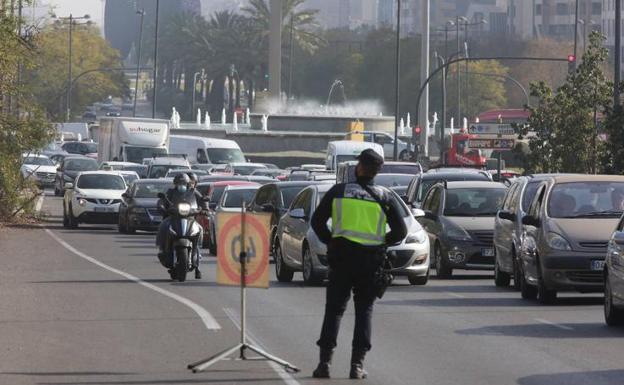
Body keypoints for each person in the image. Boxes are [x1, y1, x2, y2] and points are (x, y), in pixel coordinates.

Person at [310, 149, 407, 379]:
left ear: (358, 167)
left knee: (334, 311)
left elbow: (317, 220)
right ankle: (356, 366)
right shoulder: (385, 196)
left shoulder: (339, 191)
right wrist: (380, 242)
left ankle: (324, 364)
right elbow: (401, 231)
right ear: (377, 171)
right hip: (370, 262)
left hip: (341, 259)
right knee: (364, 311)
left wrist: (331, 240)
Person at [156, 173, 203, 279]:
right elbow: (162, 201)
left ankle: (197, 253)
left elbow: (201, 200)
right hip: (173, 217)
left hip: (189, 218)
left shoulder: (193, 192)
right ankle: (163, 249)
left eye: (184, 183)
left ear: (187, 184)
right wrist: (162, 207)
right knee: (164, 225)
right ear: (175, 184)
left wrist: (204, 208)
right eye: (179, 183)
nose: (181, 185)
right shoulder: (171, 192)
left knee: (199, 228)